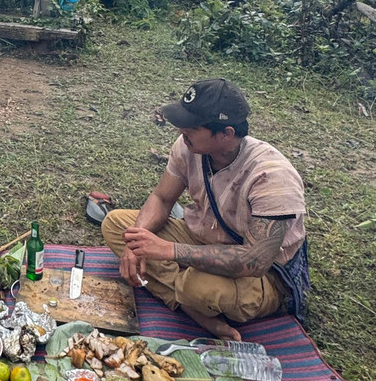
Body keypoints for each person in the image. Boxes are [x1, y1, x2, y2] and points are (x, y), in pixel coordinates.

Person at [102, 78, 310, 340]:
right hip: (202, 238)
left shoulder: (272, 176)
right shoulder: (189, 147)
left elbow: (253, 261)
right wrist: (137, 242)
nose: (181, 131)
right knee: (118, 225)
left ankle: (186, 297)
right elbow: (163, 198)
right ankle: (194, 310)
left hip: (263, 273)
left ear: (226, 133)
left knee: (197, 287)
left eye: (192, 126)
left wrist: (167, 250)